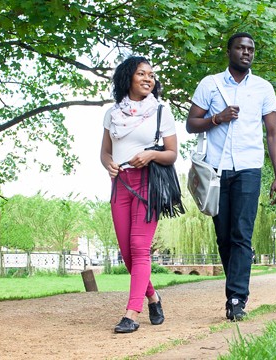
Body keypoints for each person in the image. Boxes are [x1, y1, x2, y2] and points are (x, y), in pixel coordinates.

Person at [186, 32, 276, 321]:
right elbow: (191, 124)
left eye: (251, 49)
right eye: (240, 48)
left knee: (242, 234)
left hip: (249, 168)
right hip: (215, 171)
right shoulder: (210, 84)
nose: (246, 53)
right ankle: (235, 291)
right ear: (229, 51)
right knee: (224, 236)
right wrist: (217, 118)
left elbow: (273, 132)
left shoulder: (264, 88)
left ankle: (237, 297)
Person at [101, 56, 176, 333]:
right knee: (127, 253)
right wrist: (107, 163)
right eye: (142, 74)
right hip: (120, 183)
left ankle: (132, 313)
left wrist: (150, 155)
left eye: (152, 75)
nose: (148, 79)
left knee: (139, 248)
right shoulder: (112, 114)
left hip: (148, 183)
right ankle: (153, 297)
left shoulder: (160, 112)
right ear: (127, 78)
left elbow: (171, 154)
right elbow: (105, 151)